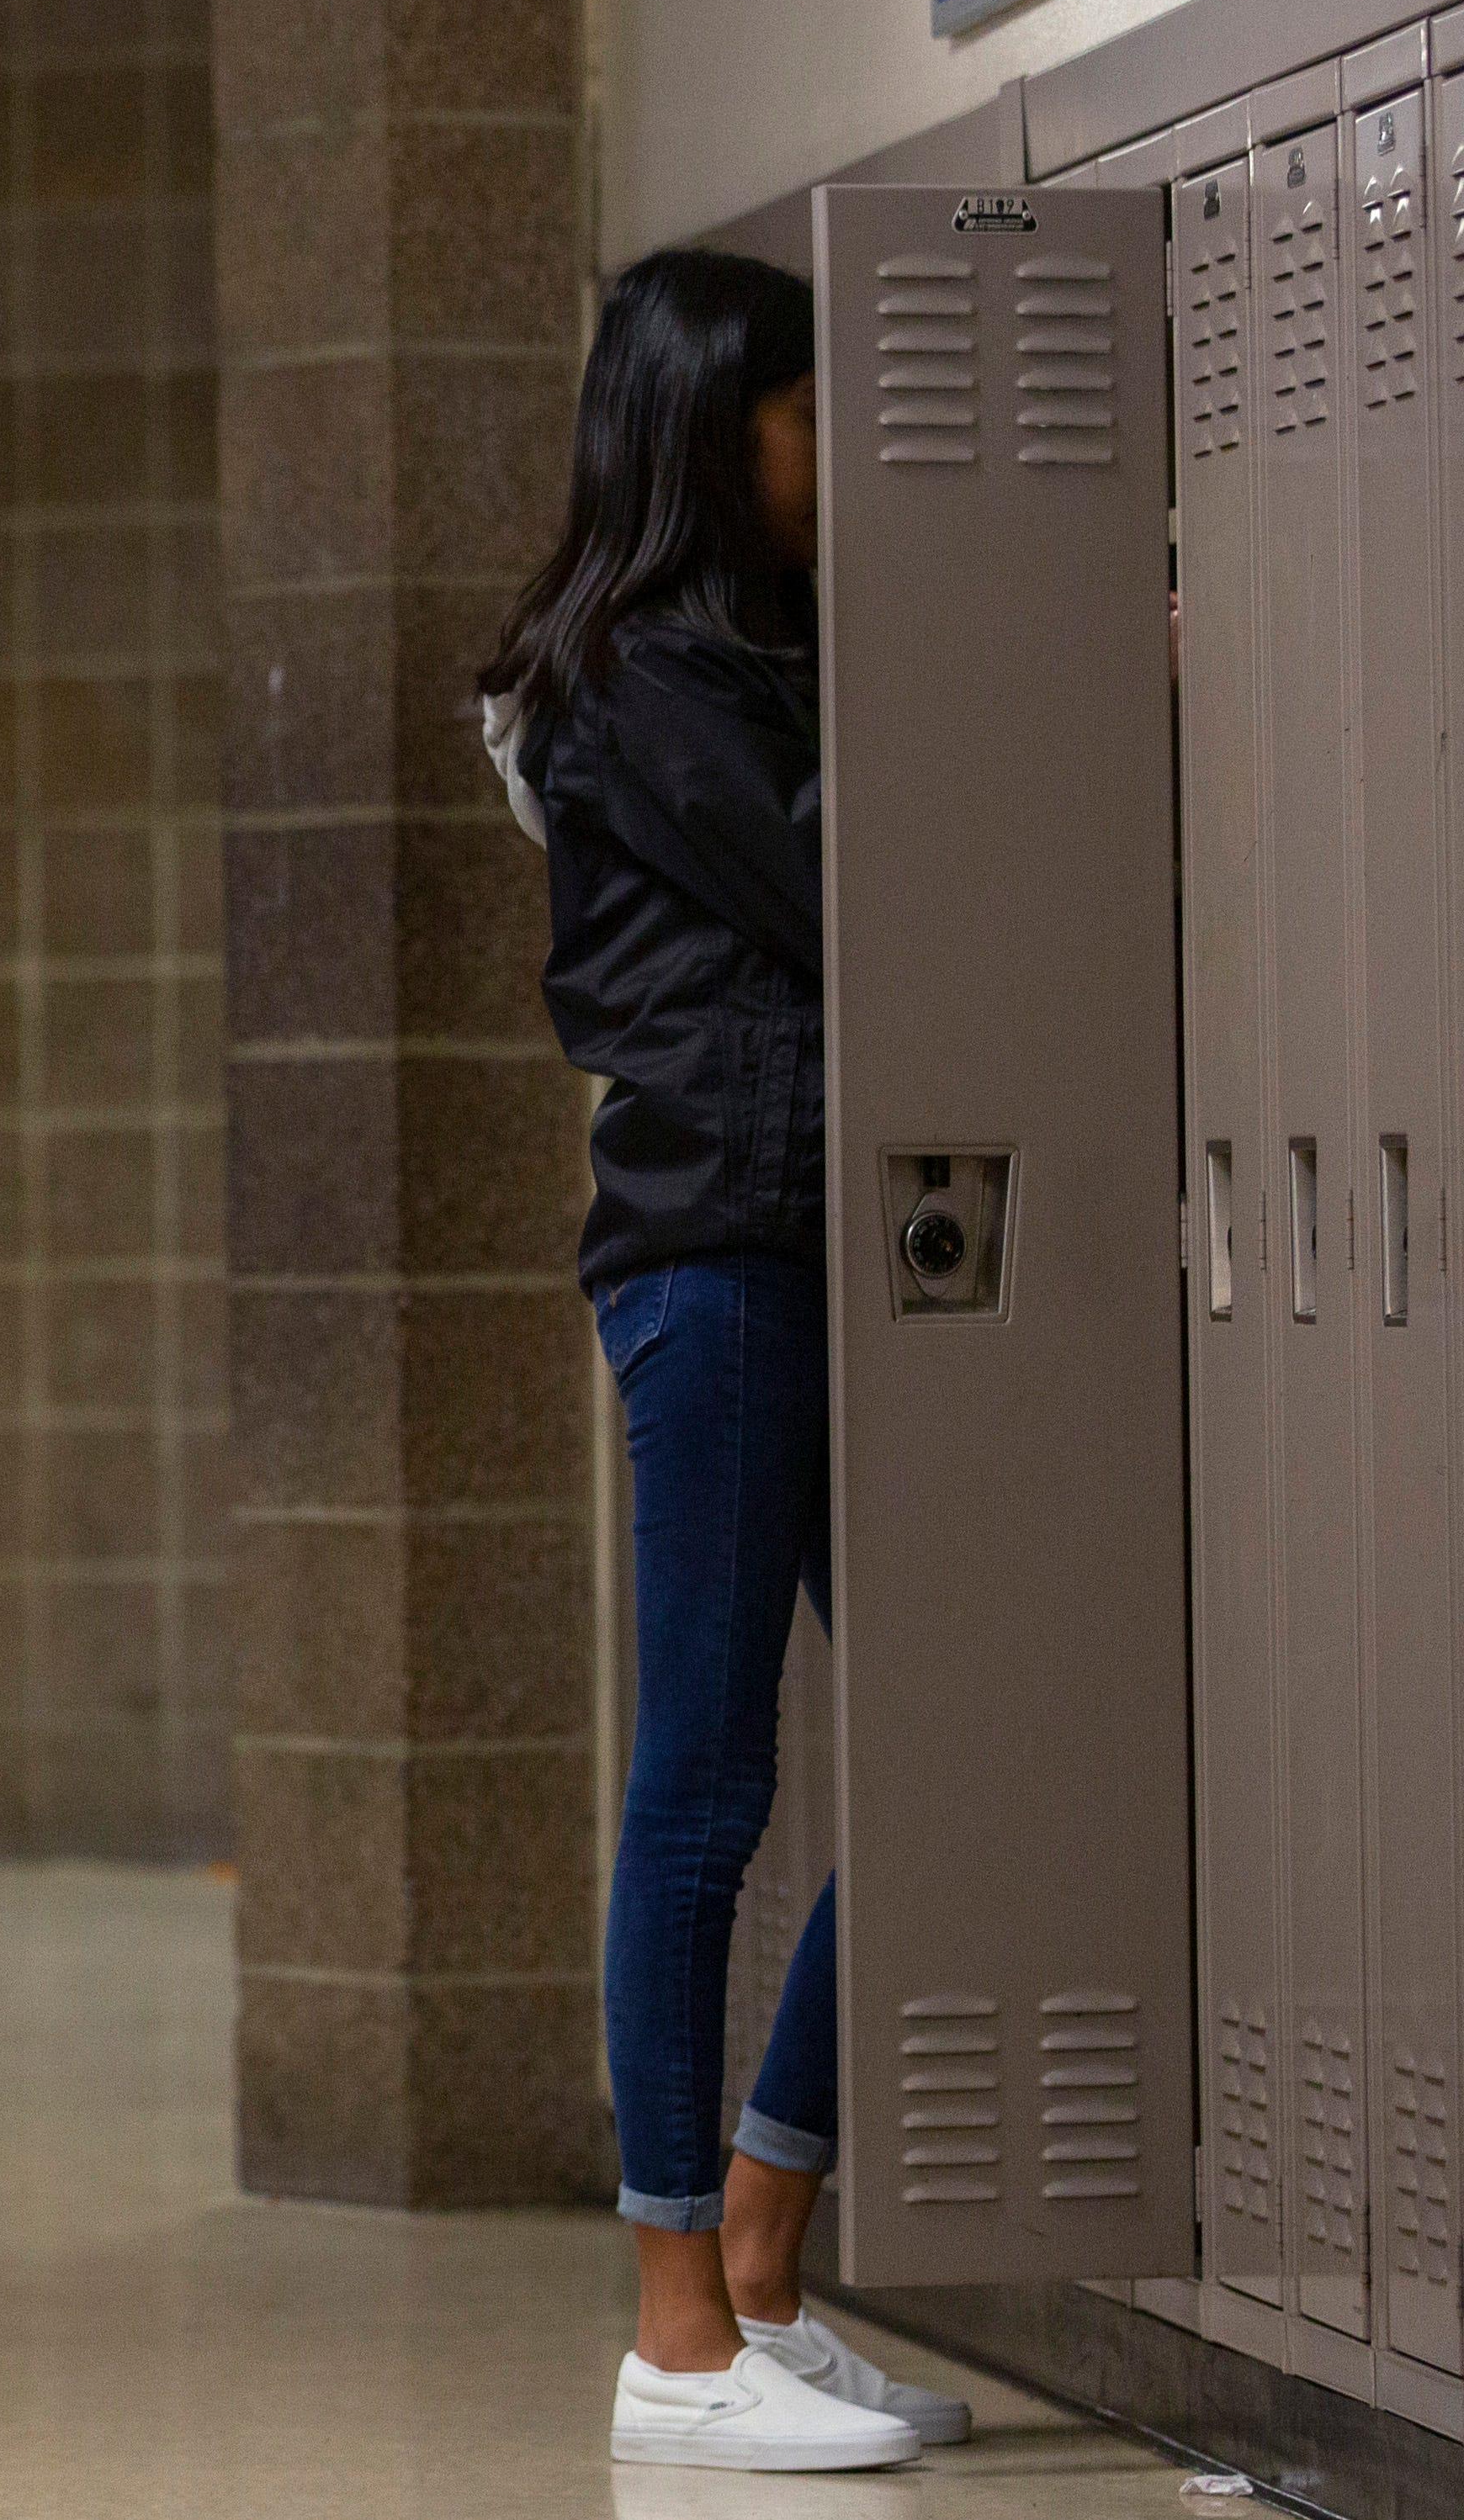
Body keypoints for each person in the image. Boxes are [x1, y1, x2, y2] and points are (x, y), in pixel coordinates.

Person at [480, 249, 968, 2474]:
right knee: (701, 1786)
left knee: (970, 1740)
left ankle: (763, 2244)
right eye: (799, 419)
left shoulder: (736, 656)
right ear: (711, 428)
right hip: (716, 1256)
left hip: (826, 1242)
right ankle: (671, 2324)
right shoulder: (637, 678)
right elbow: (847, 895)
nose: (826, 459)